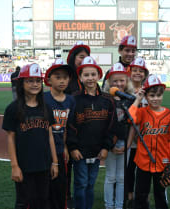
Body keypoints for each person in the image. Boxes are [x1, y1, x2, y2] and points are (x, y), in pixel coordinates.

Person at [2, 63, 59, 209]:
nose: (35, 84)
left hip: (44, 165)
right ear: (22, 83)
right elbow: (10, 138)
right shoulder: (13, 108)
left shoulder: (46, 108)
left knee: (43, 200)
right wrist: (14, 166)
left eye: (38, 81)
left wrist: (55, 162)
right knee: (24, 202)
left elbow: (50, 136)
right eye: (30, 81)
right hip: (24, 166)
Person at [67, 56, 117, 209]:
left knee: (90, 184)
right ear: (80, 77)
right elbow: (69, 126)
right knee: (81, 184)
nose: (90, 78)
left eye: (93, 74)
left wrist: (105, 147)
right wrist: (73, 148)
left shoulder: (108, 100)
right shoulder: (74, 99)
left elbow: (111, 127)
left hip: (97, 151)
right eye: (86, 75)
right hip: (80, 151)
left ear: (99, 76)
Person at [129, 74, 170, 209]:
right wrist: (137, 99)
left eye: (158, 95)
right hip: (143, 161)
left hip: (162, 162)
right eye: (151, 95)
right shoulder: (142, 112)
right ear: (146, 96)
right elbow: (130, 119)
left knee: (160, 194)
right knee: (140, 195)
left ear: (162, 95)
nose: (155, 98)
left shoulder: (169, 115)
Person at [44, 58, 76, 209]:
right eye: (58, 77)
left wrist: (65, 147)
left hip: (60, 149)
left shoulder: (70, 100)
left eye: (65, 77)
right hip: (44, 150)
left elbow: (68, 126)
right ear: (49, 79)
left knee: (61, 186)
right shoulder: (43, 99)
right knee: (45, 187)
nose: (62, 81)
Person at [102, 62, 134, 209]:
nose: (119, 83)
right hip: (110, 144)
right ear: (109, 82)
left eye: (122, 80)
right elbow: (103, 126)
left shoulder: (130, 99)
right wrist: (110, 145)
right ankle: (109, 206)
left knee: (121, 178)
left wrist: (127, 145)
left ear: (127, 81)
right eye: (115, 80)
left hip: (125, 144)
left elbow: (133, 125)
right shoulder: (105, 99)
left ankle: (119, 205)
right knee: (110, 177)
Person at [65, 41, 91, 209]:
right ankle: (66, 197)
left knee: (82, 171)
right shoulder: (67, 77)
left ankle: (78, 198)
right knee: (66, 168)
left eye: (86, 57)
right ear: (73, 58)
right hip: (67, 128)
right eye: (81, 56)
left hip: (84, 131)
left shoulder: (86, 77)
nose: (83, 60)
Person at [125, 57, 149, 209]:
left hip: (143, 136)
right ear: (130, 71)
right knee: (128, 168)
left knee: (143, 169)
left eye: (141, 71)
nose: (138, 73)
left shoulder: (148, 91)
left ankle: (142, 196)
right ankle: (129, 196)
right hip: (128, 135)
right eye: (135, 70)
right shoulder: (125, 90)